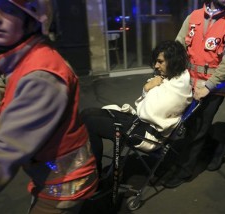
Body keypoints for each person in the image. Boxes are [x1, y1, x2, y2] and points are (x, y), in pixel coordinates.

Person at [0, 0, 98, 213]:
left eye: (9, 9)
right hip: (48, 170)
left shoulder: (41, 76)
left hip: (65, 181)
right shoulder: (17, 65)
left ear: (33, 19)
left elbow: (2, 156)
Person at [162, 0, 225, 188]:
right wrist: (165, 72)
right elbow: (178, 46)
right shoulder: (194, 17)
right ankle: (216, 147)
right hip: (188, 84)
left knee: (197, 130)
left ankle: (184, 171)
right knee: (190, 125)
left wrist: (208, 87)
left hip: (213, 87)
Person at [81, 40, 192, 176]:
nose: (156, 66)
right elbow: (145, 106)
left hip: (147, 135)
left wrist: (147, 88)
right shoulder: (172, 78)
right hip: (141, 124)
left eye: (160, 62)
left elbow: (145, 112)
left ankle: (93, 174)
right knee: (87, 113)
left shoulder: (177, 89)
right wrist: (149, 89)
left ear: (173, 61)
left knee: (91, 123)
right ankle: (90, 169)